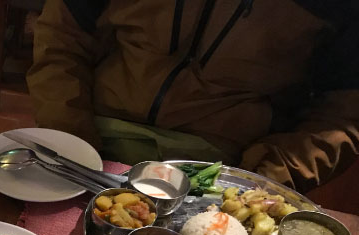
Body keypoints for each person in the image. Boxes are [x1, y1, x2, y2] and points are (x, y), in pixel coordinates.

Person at [27, 0, 359, 192]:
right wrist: (68, 135)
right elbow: (61, 37)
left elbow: (344, 115)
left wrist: (264, 176)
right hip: (92, 136)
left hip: (227, 167)